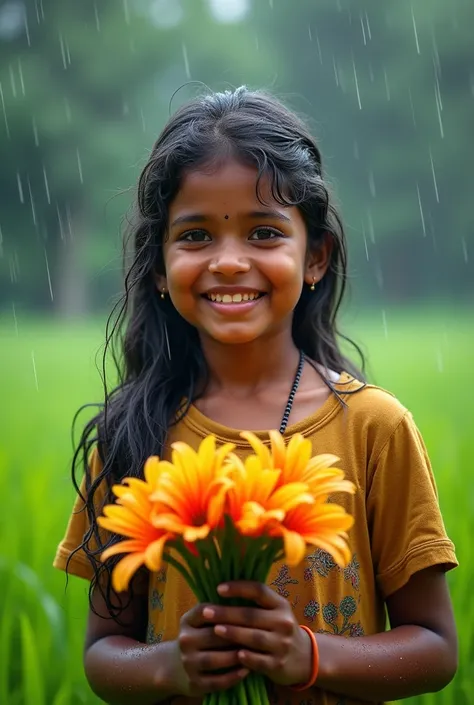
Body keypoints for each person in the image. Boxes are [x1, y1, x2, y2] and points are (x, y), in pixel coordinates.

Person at [54, 87, 458, 705]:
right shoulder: (133, 433)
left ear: (315, 256)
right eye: (194, 237)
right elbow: (103, 652)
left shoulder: (374, 427)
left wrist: (310, 656)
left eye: (264, 232)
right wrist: (170, 666)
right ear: (160, 267)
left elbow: (434, 648)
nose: (229, 261)